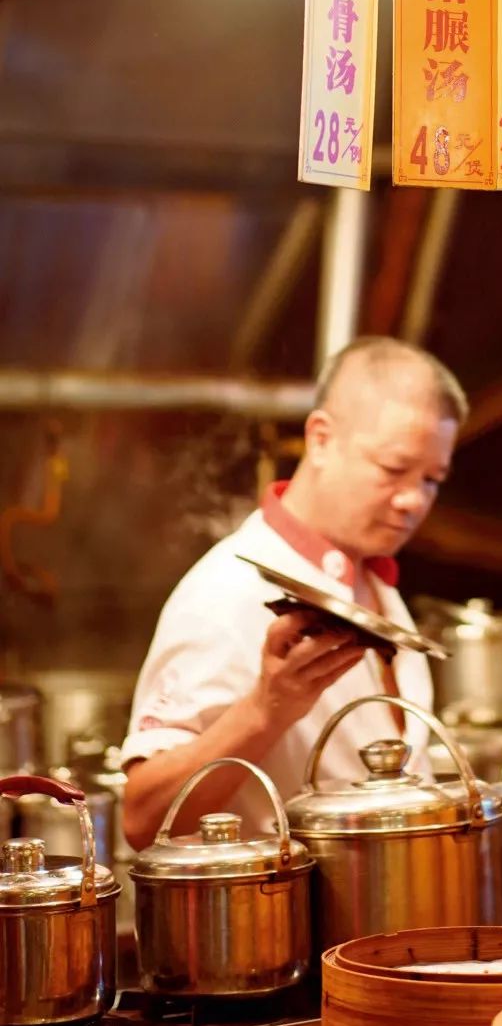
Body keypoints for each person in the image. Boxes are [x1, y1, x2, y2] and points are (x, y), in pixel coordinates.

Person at [121, 336, 465, 848]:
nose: (413, 500)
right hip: (278, 917)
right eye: (394, 469)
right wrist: (266, 709)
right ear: (321, 439)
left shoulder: (372, 582)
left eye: (432, 479)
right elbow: (143, 819)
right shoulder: (225, 593)